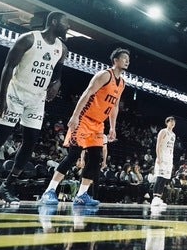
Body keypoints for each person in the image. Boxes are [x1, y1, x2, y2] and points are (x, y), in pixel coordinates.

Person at [0, 11, 69, 205]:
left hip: (37, 99)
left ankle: (7, 186)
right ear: (54, 22)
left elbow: (58, 72)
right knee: (0, 137)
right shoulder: (28, 39)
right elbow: (8, 67)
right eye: (65, 23)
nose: (68, 27)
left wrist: (57, 83)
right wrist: (1, 98)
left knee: (31, 141)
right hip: (16, 94)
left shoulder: (62, 48)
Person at [42, 47, 129, 206]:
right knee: (73, 155)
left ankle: (82, 195)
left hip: (98, 124)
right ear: (115, 60)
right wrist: (75, 116)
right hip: (84, 119)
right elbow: (87, 93)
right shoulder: (104, 75)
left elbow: (115, 106)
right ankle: (49, 190)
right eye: (124, 58)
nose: (127, 61)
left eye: (128, 59)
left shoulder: (122, 83)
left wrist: (112, 127)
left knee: (95, 158)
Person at [151, 116, 177, 208]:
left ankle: (159, 198)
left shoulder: (173, 135)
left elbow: (171, 148)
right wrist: (158, 157)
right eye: (171, 121)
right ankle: (154, 198)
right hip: (162, 157)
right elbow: (158, 145)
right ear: (167, 122)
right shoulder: (163, 131)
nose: (172, 123)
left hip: (169, 159)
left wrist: (171, 161)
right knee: (159, 178)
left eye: (174, 121)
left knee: (164, 179)